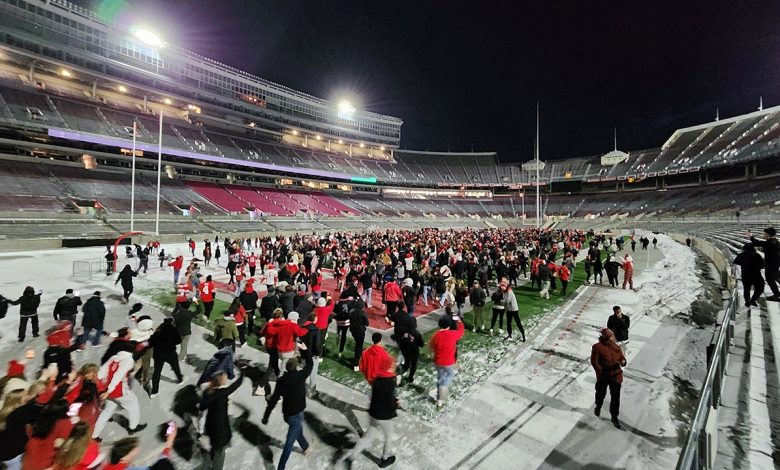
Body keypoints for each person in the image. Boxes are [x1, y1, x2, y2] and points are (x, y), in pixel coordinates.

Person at [340, 355, 398, 468]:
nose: (394, 367)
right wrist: (396, 404)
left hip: (374, 413)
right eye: (392, 366)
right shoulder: (390, 382)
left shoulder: (377, 379)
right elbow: (389, 401)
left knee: (367, 437)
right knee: (389, 436)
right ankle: (385, 459)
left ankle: (351, 458)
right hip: (384, 416)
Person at [262, 357, 312, 470]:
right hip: (297, 414)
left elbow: (273, 400)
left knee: (298, 430)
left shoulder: (281, 382)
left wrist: (266, 415)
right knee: (289, 443)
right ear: (296, 367)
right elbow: (310, 365)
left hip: (289, 415)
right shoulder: (301, 376)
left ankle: (306, 447)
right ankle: (281, 468)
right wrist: (306, 351)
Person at [93, 341, 147, 439]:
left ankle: (95, 434)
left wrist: (103, 389)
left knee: (107, 411)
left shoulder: (114, 358)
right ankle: (133, 427)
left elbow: (101, 373)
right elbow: (118, 375)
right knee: (134, 406)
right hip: (119, 391)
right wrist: (109, 390)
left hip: (108, 391)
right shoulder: (128, 360)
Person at [200, 369, 244, 470]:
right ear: (220, 381)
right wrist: (243, 372)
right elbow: (236, 385)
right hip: (220, 430)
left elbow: (202, 407)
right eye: (225, 377)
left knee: (211, 449)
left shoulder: (207, 392)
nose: (226, 378)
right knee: (219, 455)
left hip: (210, 427)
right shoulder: (222, 393)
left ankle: (209, 463)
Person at [22, 399, 74, 470]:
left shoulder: (43, 418)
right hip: (45, 460)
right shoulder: (66, 424)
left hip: (31, 456)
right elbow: (61, 444)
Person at [590, 327, 627, 429]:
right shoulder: (597, 347)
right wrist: (600, 372)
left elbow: (622, 358)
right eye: (611, 336)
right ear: (606, 338)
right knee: (600, 393)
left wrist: (623, 362)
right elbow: (594, 362)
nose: (614, 337)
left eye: (613, 335)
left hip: (616, 376)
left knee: (615, 398)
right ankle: (598, 405)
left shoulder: (617, 347)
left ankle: (614, 417)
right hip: (604, 377)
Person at [429, 314, 465, 408]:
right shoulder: (453, 334)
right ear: (449, 325)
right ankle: (442, 393)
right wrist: (459, 321)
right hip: (449, 362)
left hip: (438, 362)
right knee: (450, 375)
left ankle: (439, 396)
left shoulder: (435, 335)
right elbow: (461, 331)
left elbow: (431, 347)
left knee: (440, 377)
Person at [103, 427, 176, 470]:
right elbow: (161, 466)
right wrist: (169, 442)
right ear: (122, 459)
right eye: (132, 451)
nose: (137, 449)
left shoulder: (112, 464)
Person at [149, 318, 183, 398]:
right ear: (172, 323)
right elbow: (178, 341)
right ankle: (180, 379)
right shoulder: (173, 330)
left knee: (157, 372)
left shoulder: (158, 330)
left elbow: (151, 341)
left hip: (158, 354)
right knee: (175, 367)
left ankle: (154, 392)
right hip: (170, 354)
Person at [749, 227, 780, 301]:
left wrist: (750, 236)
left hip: (771, 264)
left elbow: (757, 243)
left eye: (764, 233)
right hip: (774, 263)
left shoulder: (770, 242)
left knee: (771, 279)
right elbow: (769, 249)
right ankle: (777, 294)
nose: (763, 234)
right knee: (772, 279)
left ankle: (777, 295)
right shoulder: (774, 241)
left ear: (767, 234)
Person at [734, 243, 765, 307]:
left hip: (745, 274)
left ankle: (747, 301)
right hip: (756, 274)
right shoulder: (757, 255)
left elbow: (736, 263)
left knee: (746, 289)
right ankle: (753, 299)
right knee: (760, 288)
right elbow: (762, 265)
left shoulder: (741, 255)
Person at [348, 299, 370, 372]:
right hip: (360, 332)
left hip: (353, 331)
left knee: (358, 345)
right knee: (359, 347)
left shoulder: (351, 312)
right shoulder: (363, 313)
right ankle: (356, 364)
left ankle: (357, 360)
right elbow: (367, 323)